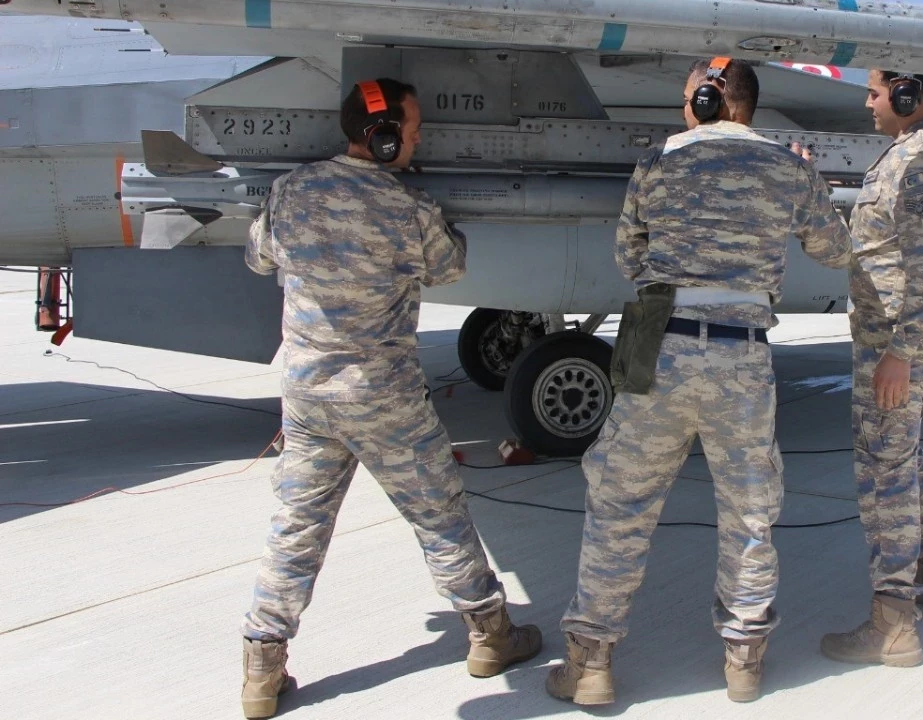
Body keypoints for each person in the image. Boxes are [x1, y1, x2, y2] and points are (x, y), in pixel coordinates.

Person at [545, 57, 852, 705]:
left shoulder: (658, 162)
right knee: (749, 511)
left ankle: (591, 662)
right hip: (743, 354)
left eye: (691, 98)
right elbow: (834, 250)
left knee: (619, 502)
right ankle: (744, 660)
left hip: (658, 340)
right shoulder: (786, 167)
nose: (686, 109)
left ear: (714, 101)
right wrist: (809, 182)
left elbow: (629, 257)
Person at [238, 78, 540, 719]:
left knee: (296, 529)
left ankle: (262, 667)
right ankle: (490, 635)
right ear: (382, 137)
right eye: (413, 129)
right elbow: (450, 266)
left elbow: (259, 257)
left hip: (309, 396)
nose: (418, 139)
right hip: (385, 399)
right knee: (440, 518)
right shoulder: (407, 206)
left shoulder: (291, 191)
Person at [818, 69, 923, 668]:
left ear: (908, 95)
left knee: (885, 473)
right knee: (901, 456)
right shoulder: (913, 153)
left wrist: (900, 355)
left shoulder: (919, 165)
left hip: (895, 345)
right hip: (894, 341)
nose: (868, 102)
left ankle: (894, 624)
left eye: (876, 92)